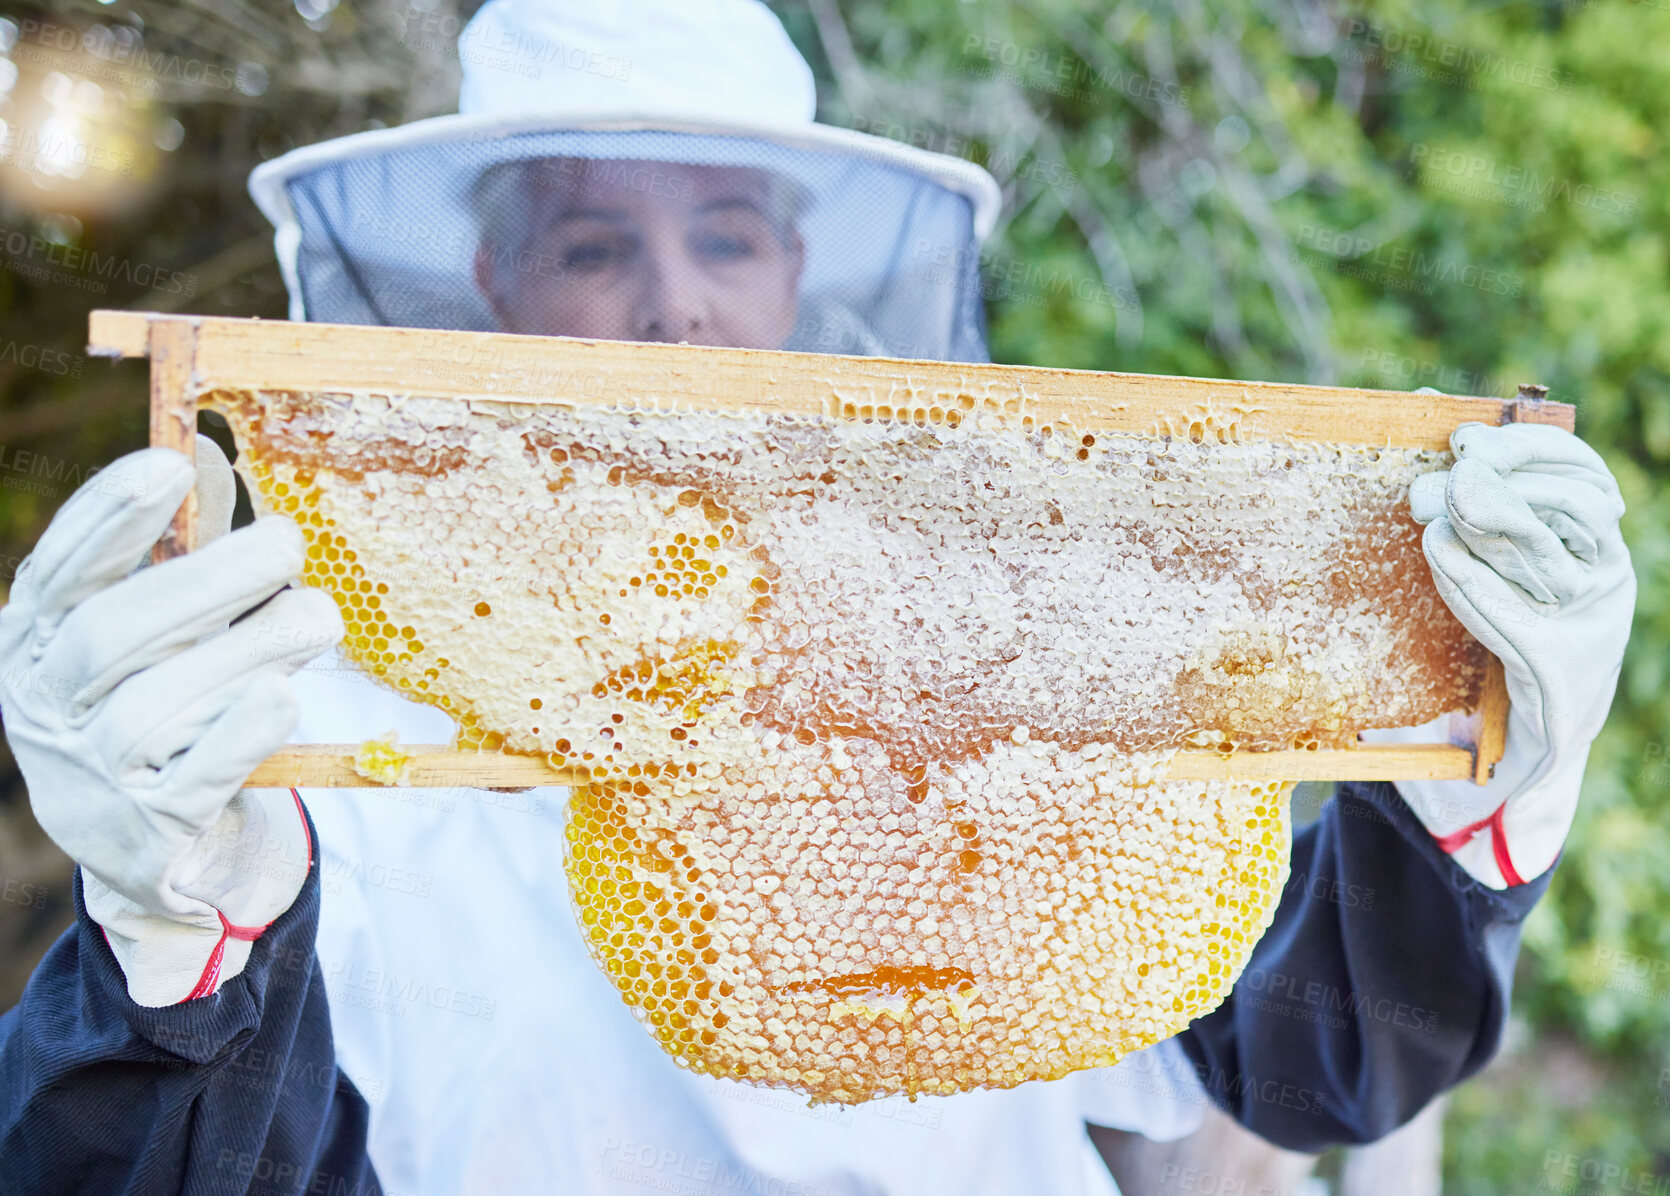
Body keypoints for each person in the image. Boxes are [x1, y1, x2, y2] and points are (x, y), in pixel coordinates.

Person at [0, 2, 1636, 1193]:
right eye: (589, 245)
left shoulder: (1009, 656)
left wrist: (1478, 807)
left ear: (802, 276)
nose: (672, 308)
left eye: (726, 234)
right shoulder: (314, 737)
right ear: (488, 286)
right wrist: (172, 951)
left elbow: (1309, 1062)